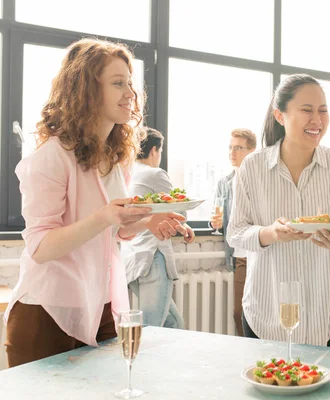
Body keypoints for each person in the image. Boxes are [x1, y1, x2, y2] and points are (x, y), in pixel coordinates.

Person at [3, 38, 187, 367]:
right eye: (118, 83)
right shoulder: (50, 158)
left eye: (130, 83)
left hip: (101, 306)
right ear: (86, 90)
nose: (130, 93)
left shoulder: (116, 158)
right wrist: (104, 217)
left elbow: (112, 232)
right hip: (46, 314)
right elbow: (41, 246)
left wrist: (147, 222)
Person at [227, 74, 330, 348]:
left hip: (325, 315)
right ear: (280, 115)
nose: (318, 120)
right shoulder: (252, 167)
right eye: (307, 110)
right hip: (266, 314)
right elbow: (236, 234)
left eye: (323, 111)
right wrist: (270, 233)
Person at [120, 127, 194, 329]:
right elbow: (179, 212)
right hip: (153, 257)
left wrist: (182, 226)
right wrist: (183, 223)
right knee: (152, 329)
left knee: (173, 322)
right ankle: (134, 360)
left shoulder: (127, 174)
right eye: (160, 152)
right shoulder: (155, 174)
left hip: (131, 259)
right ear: (154, 150)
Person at [209, 128, 257, 336]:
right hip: (239, 257)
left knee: (262, 314)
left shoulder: (261, 180)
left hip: (261, 254)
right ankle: (248, 358)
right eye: (230, 147)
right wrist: (215, 224)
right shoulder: (224, 183)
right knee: (239, 314)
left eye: (238, 148)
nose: (232, 152)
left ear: (252, 151)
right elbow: (218, 219)